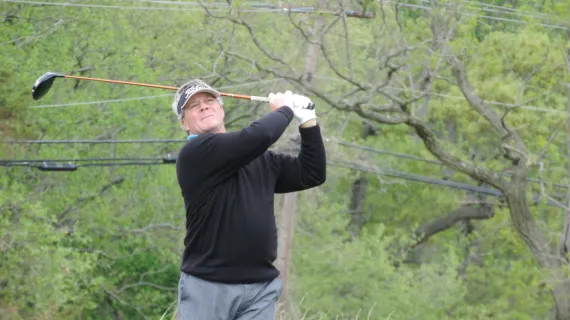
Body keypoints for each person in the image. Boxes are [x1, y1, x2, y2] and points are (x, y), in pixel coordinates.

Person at [171, 79, 326, 320]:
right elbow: (261, 134)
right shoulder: (194, 154)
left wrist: (308, 121)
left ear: (221, 110)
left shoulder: (260, 159)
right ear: (184, 123)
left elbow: (311, 173)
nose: (204, 107)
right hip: (207, 285)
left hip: (260, 288)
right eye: (193, 106)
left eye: (210, 101)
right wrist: (285, 109)